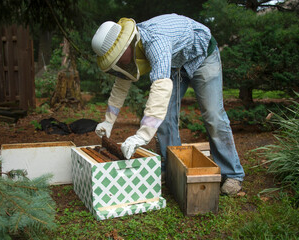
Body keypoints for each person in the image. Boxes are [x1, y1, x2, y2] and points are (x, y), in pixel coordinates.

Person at [91, 14, 245, 195]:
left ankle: (232, 173)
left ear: (125, 46)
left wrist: (143, 135)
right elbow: (120, 85)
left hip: (202, 55)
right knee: (164, 120)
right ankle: (171, 169)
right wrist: (108, 120)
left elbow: (160, 89)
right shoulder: (134, 47)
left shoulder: (156, 41)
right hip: (175, 63)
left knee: (213, 115)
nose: (117, 63)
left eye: (116, 58)